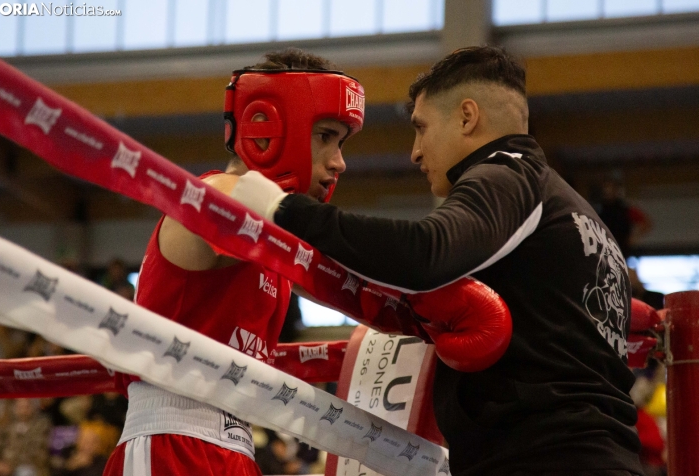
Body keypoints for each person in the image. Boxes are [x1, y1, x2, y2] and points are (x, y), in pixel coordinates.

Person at [228, 46, 645, 475]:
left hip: (546, 459)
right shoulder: (578, 214)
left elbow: (425, 253)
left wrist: (286, 210)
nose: (415, 153)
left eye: (421, 128)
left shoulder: (507, 175)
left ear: (467, 117)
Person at [102, 48, 364, 476]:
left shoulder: (278, 240)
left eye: (340, 142)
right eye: (325, 137)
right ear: (271, 129)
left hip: (235, 442)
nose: (339, 162)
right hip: (174, 441)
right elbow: (347, 267)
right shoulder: (219, 196)